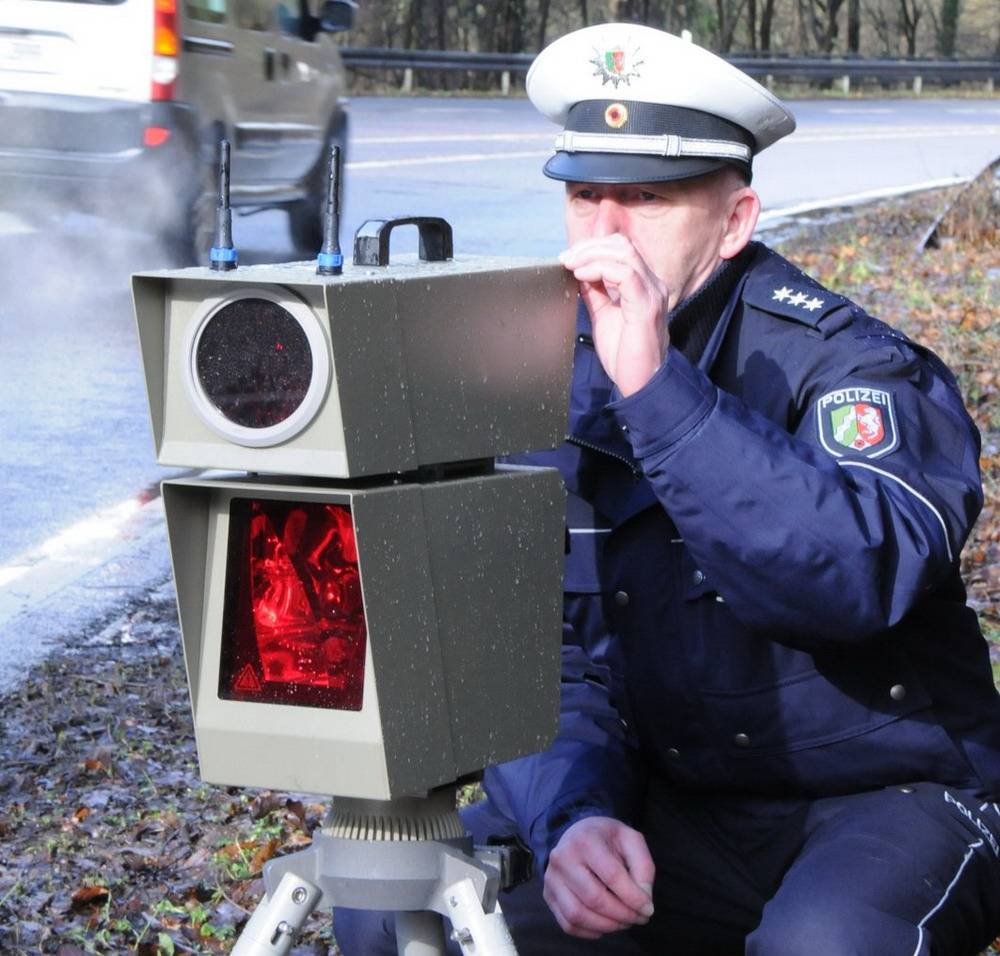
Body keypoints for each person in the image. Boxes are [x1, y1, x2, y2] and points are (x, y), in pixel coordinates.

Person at [335, 23, 1000, 955]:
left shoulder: (853, 368)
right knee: (401, 904)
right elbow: (535, 662)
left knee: (827, 945)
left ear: (733, 223)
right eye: (583, 197)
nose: (604, 234)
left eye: (644, 198)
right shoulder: (539, 387)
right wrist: (573, 818)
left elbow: (851, 578)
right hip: (667, 801)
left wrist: (659, 394)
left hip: (885, 795)